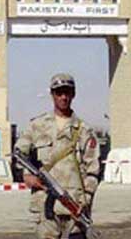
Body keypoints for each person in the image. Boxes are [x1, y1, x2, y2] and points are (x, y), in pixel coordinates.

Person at [15, 73, 101, 239]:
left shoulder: (84, 131)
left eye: (67, 92)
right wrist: (27, 176)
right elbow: (19, 154)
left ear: (73, 94)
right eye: (59, 93)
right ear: (52, 95)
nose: (63, 97)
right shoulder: (37, 126)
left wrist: (86, 200)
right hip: (46, 210)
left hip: (75, 209)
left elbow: (93, 171)